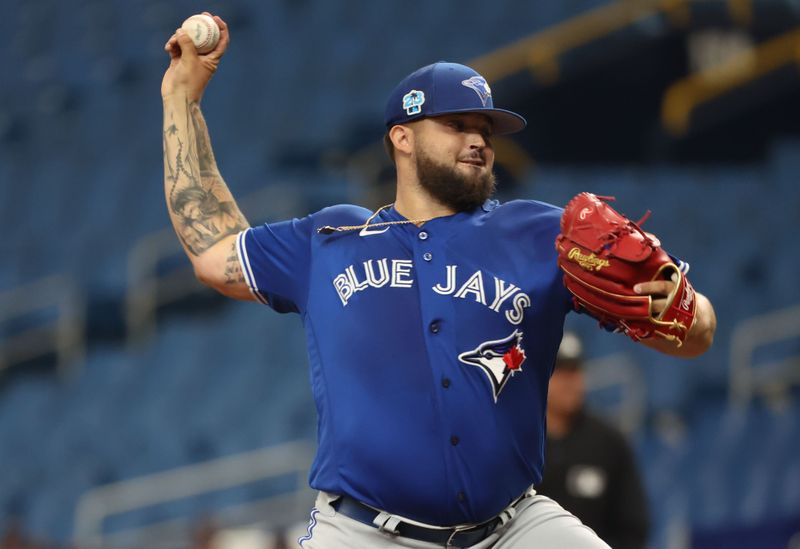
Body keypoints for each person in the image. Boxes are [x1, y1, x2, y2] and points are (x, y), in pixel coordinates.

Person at [161, 13, 717, 548]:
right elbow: (212, 250)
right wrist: (181, 98)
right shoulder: (329, 239)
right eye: (457, 125)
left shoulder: (541, 232)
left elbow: (697, 333)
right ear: (402, 138)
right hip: (362, 533)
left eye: (485, 130)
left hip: (513, 527)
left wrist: (681, 308)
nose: (478, 141)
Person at [538, 332, 649, 549]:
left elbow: (633, 528)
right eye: (560, 372)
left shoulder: (609, 443)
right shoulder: (520, 442)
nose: (570, 382)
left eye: (575, 371)